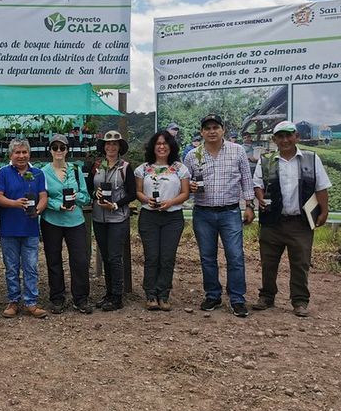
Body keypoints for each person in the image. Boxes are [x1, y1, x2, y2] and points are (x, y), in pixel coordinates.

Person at [252, 121, 331, 317]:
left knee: (301, 263)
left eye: (289, 135)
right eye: (280, 136)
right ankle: (267, 296)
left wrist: (324, 211)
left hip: (300, 223)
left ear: (296, 137)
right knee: (268, 262)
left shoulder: (312, 159)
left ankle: (300, 301)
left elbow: (321, 187)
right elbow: (258, 184)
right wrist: (260, 197)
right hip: (272, 222)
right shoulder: (266, 160)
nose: (285, 140)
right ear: (274, 140)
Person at [184, 114, 255, 317]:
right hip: (203, 213)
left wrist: (249, 205)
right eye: (207, 128)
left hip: (230, 212)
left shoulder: (237, 151)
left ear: (223, 130)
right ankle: (212, 295)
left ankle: (237, 299)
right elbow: (185, 185)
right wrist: (191, 187)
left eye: (216, 127)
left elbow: (246, 181)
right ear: (201, 132)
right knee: (207, 257)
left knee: (235, 256)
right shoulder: (192, 156)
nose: (212, 131)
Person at [0, 138, 48, 319]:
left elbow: (43, 196)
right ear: (11, 155)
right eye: (17, 152)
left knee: (31, 266)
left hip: (30, 228)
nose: (21, 156)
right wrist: (15, 204)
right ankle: (13, 301)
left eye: (24, 152)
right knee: (11, 267)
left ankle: (31, 302)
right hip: (9, 228)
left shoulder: (38, 173)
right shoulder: (3, 172)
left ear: (29, 154)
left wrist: (39, 208)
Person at [135, 131, 190, 311]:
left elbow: (185, 193)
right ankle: (150, 293)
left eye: (165, 143)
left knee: (167, 257)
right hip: (149, 217)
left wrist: (170, 203)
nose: (161, 146)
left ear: (171, 146)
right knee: (152, 256)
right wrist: (145, 199)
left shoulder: (180, 169)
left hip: (172, 217)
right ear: (153, 146)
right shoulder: (143, 169)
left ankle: (164, 293)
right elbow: (139, 191)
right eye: (158, 143)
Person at [40, 134, 92, 314]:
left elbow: (86, 196)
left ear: (67, 150)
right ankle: (57, 297)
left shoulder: (76, 171)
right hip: (52, 220)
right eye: (55, 147)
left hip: (75, 221)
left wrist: (77, 198)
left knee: (80, 260)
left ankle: (81, 298)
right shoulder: (43, 172)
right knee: (53, 259)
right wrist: (57, 205)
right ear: (50, 150)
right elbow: (43, 197)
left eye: (62, 147)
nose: (59, 151)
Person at [87, 131, 136, 311]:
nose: (111, 147)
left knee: (115, 257)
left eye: (115, 144)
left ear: (120, 147)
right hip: (99, 217)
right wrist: (95, 194)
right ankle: (108, 293)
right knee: (106, 256)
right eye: (108, 144)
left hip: (118, 218)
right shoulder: (97, 165)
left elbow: (131, 193)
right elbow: (90, 187)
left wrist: (115, 205)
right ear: (104, 146)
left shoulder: (125, 167)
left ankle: (117, 296)